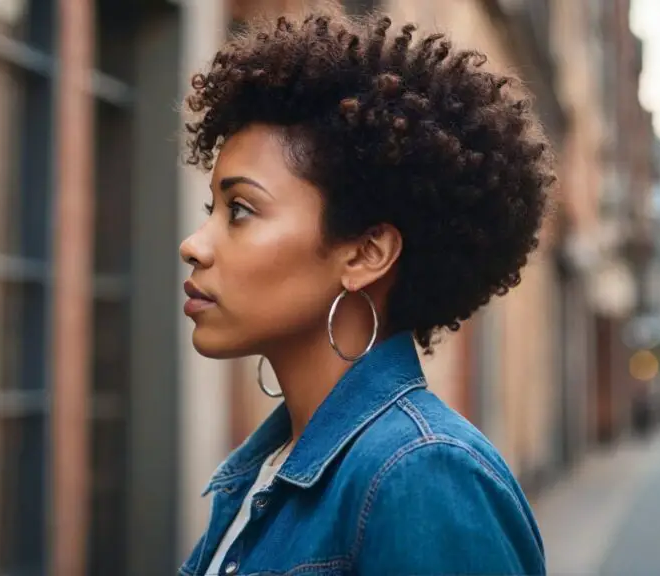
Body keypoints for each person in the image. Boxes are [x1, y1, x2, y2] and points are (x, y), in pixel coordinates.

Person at [177, 5, 554, 575]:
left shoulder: (420, 474)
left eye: (242, 209)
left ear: (365, 254)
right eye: (213, 208)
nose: (194, 244)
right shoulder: (264, 472)